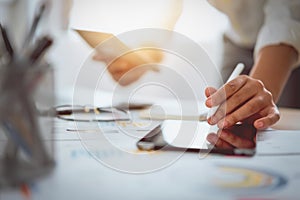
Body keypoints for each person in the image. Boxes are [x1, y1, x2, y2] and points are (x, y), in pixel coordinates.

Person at [69, 0, 300, 139]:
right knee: (225, 120)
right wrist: (146, 55)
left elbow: (286, 15)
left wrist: (262, 88)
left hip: (286, 42)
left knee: (273, 120)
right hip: (236, 39)